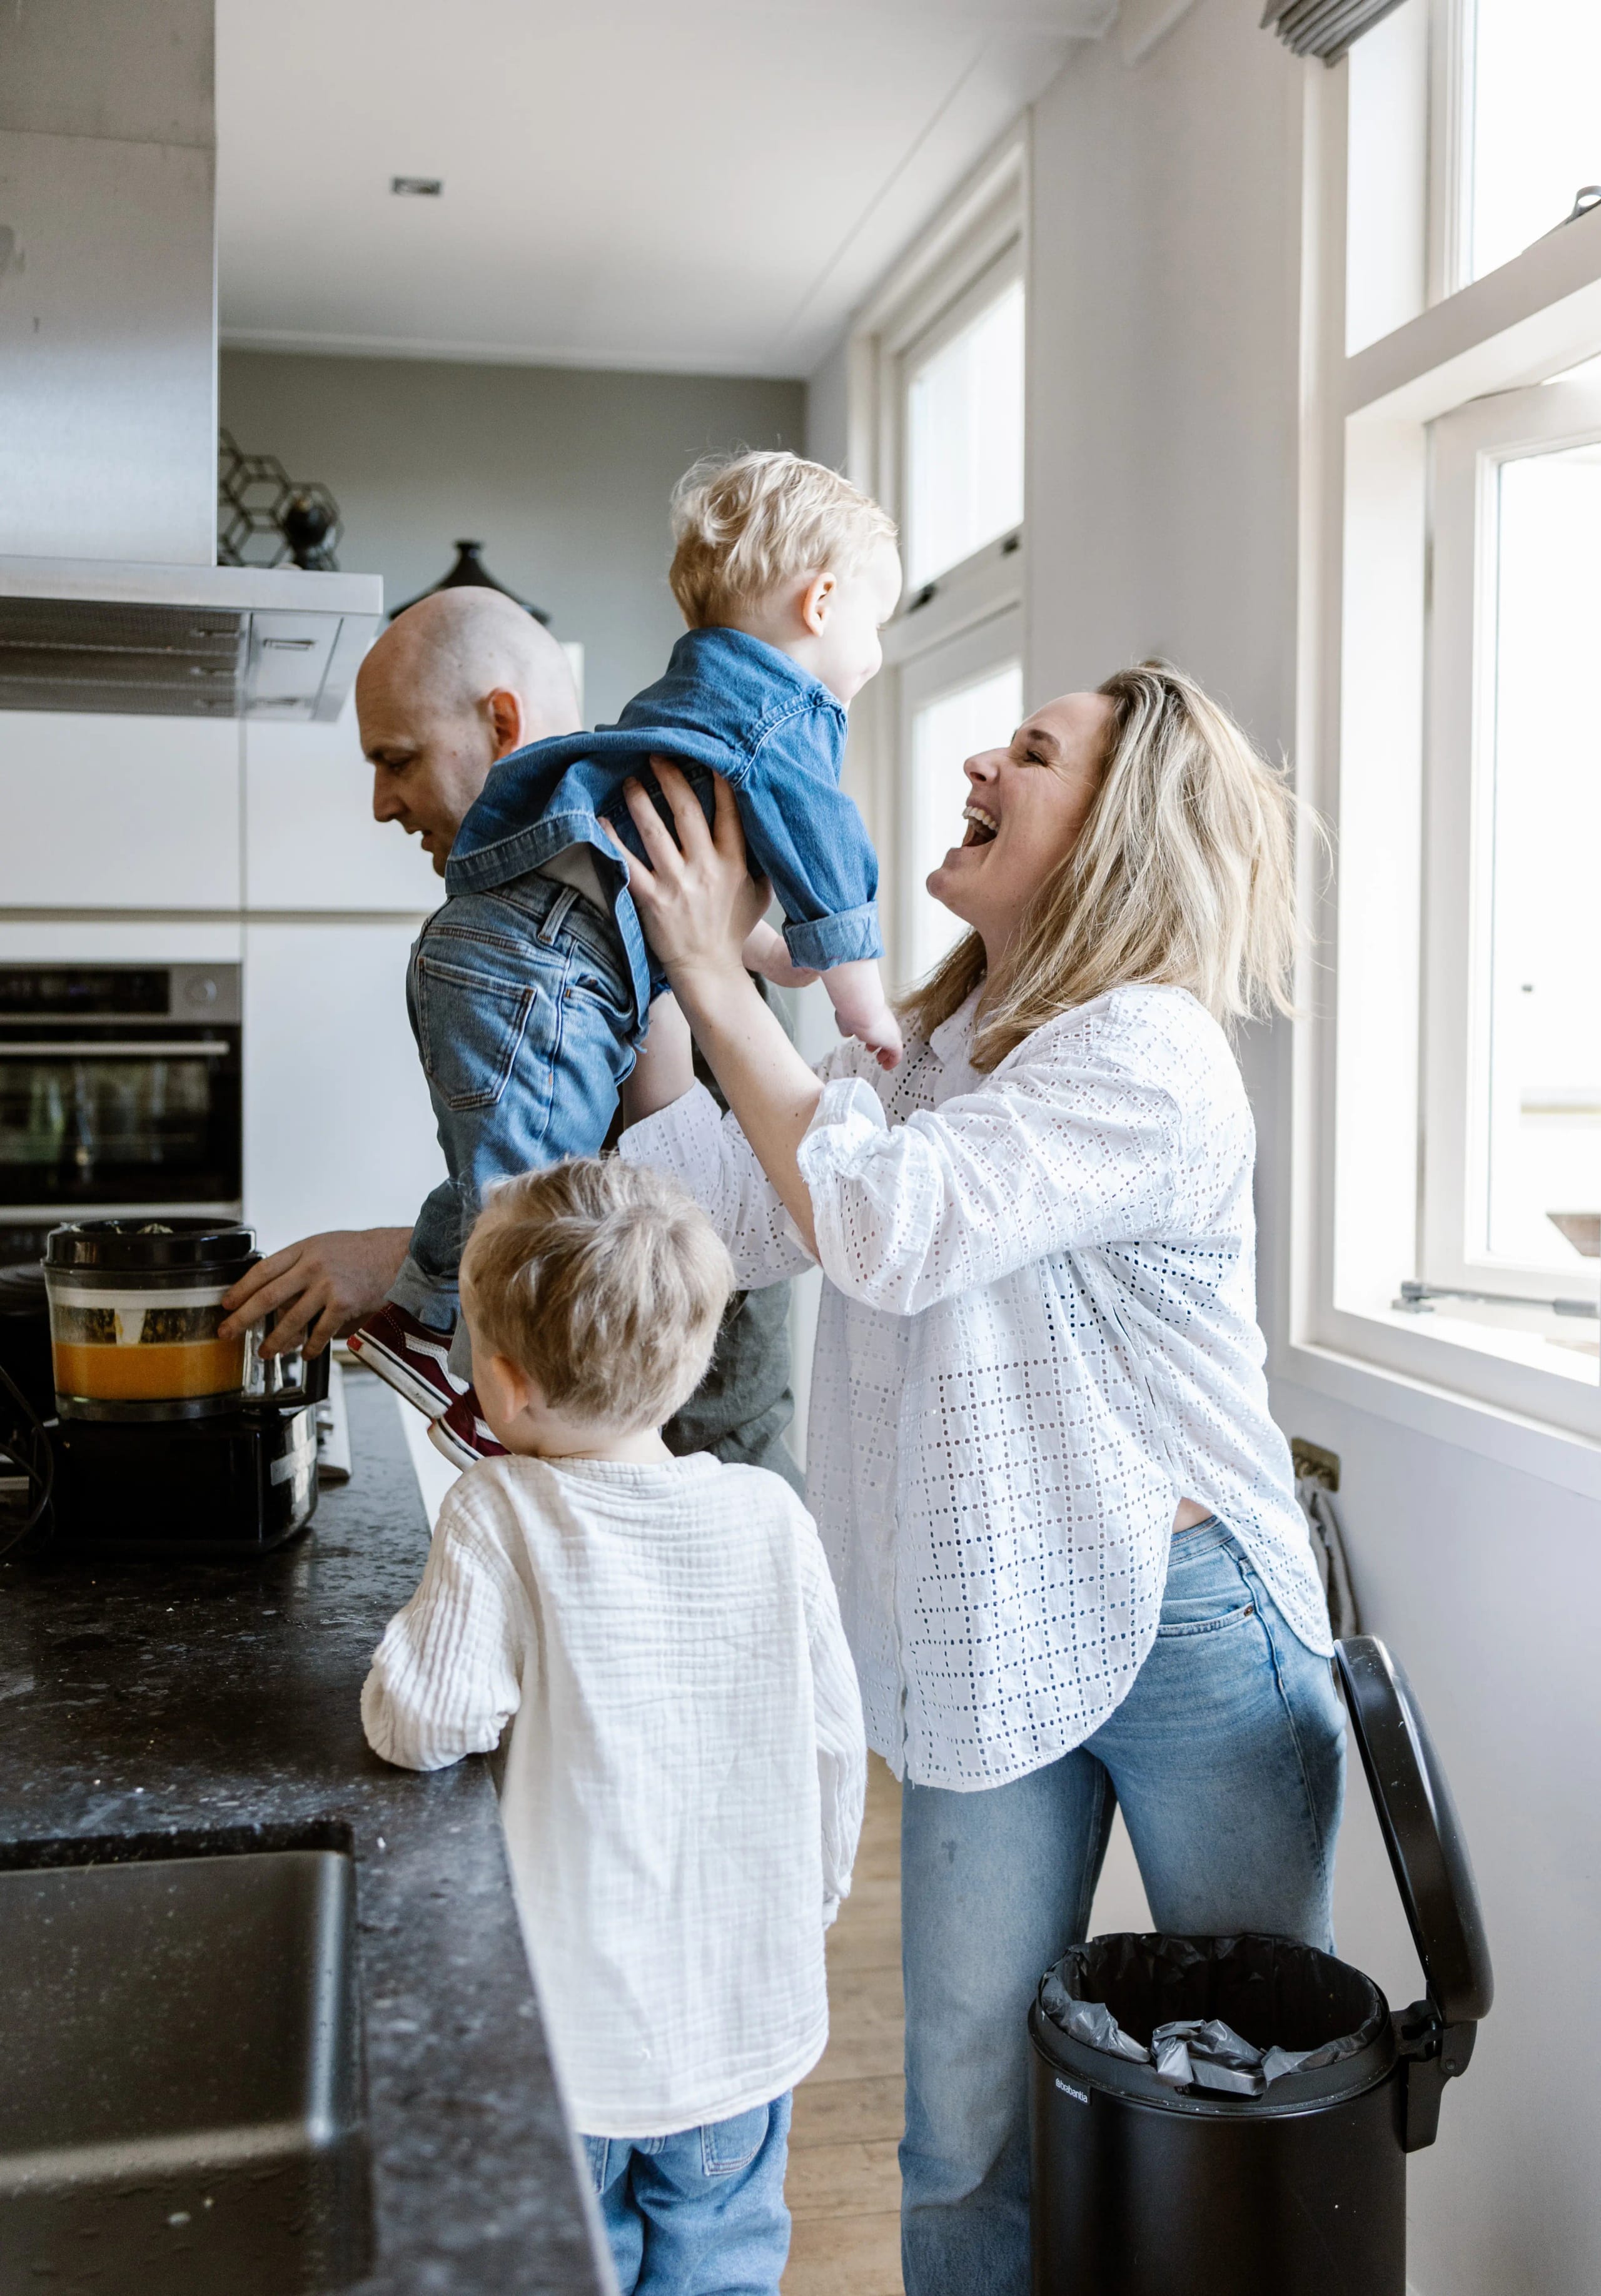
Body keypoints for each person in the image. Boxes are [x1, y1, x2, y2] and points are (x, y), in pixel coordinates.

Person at [612, 663, 1345, 2296]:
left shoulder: (1148, 1056)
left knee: (1243, 2104)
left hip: (1200, 1637)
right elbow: (714, 1206)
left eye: (1030, 752)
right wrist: (440, 1246)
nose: (976, 760)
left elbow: (887, 1225)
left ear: (1118, 839)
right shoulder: (933, 1045)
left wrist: (721, 991)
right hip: (991, 1619)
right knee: (958, 2127)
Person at [360, 1156, 866, 2296]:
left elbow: (422, 1720)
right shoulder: (769, 1516)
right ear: (689, 1365)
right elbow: (837, 1748)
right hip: (745, 2022)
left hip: (576, 2048)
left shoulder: (503, 1512)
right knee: (722, 2269)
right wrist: (808, 1906)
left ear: (499, 1376)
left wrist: (394, 1647)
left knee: (571, 2272)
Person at [217, 587, 802, 1487]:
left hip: (697, 1468)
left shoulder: (668, 868)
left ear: (501, 722)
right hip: (595, 1458)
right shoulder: (552, 898)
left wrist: (405, 1261)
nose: (381, 803)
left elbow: (693, 1201)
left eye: (398, 760)